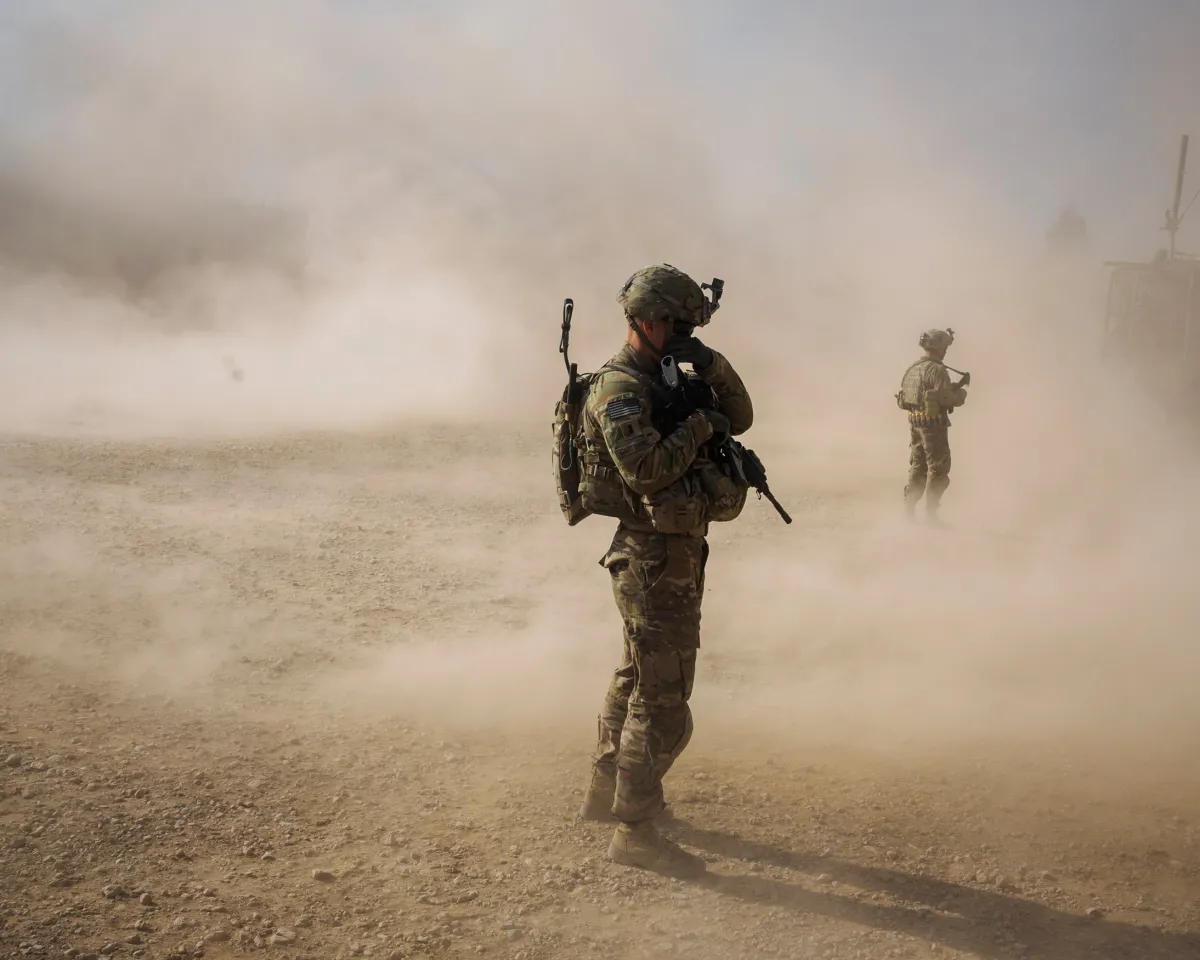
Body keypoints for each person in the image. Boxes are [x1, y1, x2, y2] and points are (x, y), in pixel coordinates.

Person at [575, 263, 754, 878]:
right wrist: (702, 425)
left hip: (671, 552)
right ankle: (636, 832)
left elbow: (744, 415)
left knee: (635, 677)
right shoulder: (619, 387)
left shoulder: (669, 372)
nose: (682, 333)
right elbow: (647, 470)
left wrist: (709, 360)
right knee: (664, 700)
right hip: (652, 557)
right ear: (648, 320)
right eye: (677, 324)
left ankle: (609, 797)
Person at [896, 328, 969, 524]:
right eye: (944, 346)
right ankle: (930, 516)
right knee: (938, 467)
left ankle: (908, 512)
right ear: (937, 346)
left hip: (915, 423)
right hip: (933, 426)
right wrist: (960, 395)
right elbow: (945, 398)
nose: (946, 350)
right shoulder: (937, 370)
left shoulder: (912, 368)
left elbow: (908, 398)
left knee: (918, 466)